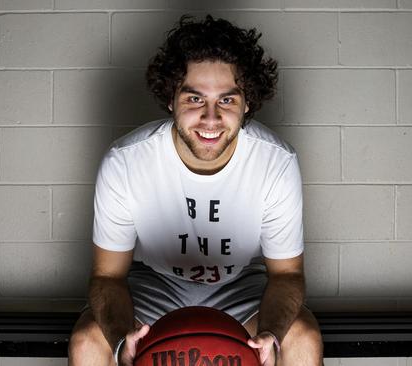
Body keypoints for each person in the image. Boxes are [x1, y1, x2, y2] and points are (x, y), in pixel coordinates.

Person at [69, 15, 324, 366]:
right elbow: (107, 276)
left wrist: (272, 333)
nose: (210, 118)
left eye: (227, 101)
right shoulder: (126, 161)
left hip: (240, 288)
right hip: (154, 288)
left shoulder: (275, 161)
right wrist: (118, 339)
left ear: (247, 103)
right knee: (86, 342)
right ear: (170, 99)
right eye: (194, 99)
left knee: (304, 338)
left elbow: (287, 275)